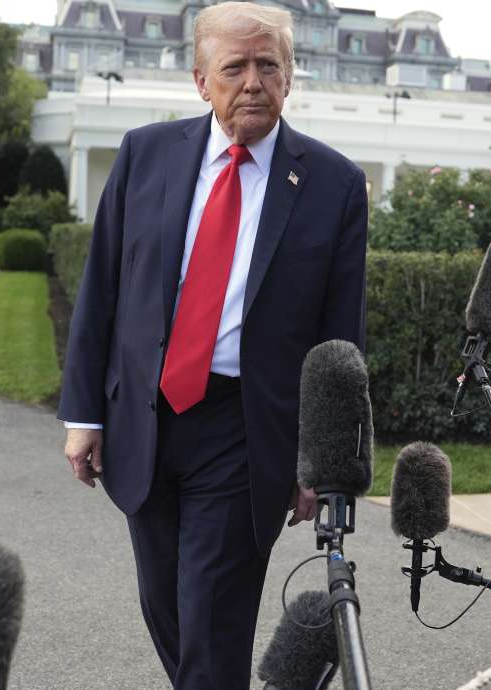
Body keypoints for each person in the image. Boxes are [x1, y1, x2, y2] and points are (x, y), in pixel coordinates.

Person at [55, 4, 368, 688]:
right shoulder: (145, 154)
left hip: (244, 430)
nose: (253, 82)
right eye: (236, 67)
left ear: (290, 79)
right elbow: (102, 288)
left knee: (211, 622)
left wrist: (324, 455)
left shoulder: (333, 184)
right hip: (146, 417)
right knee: (168, 611)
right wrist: (84, 416)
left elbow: (340, 336)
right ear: (202, 81)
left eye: (269, 66)